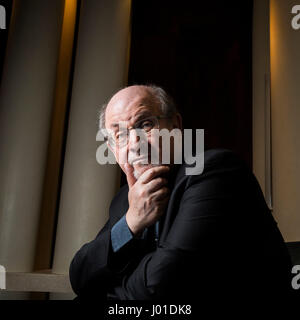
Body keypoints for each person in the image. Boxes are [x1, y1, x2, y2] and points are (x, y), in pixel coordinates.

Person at [69, 85, 293, 302]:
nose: (134, 144)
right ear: (113, 150)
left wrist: (103, 290)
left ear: (175, 126)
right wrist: (130, 223)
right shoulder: (127, 198)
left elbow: (163, 285)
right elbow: (80, 276)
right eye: (120, 135)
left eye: (145, 124)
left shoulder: (215, 171)